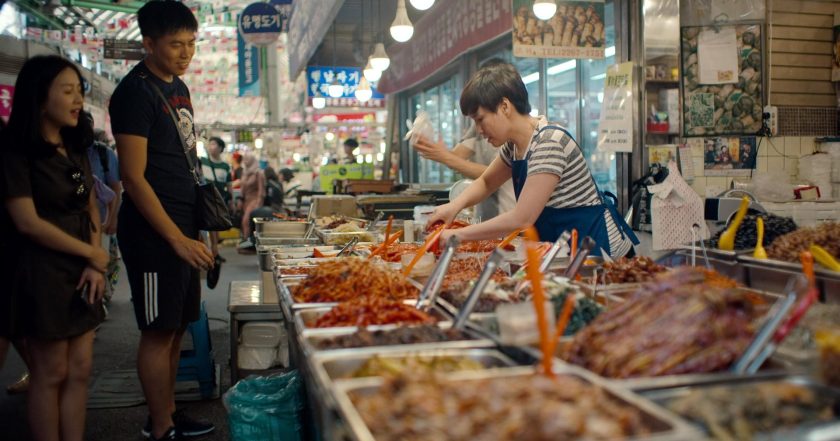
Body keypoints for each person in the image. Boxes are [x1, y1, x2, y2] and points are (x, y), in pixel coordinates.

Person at [108, 2, 215, 440]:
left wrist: (198, 229)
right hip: (155, 234)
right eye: (175, 44)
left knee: (175, 329)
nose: (185, 53)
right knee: (157, 331)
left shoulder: (179, 88)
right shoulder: (134, 93)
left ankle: (165, 413)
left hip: (184, 227)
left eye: (191, 44)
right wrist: (173, 238)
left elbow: (185, 162)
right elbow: (132, 177)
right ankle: (159, 429)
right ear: (147, 44)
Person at [426, 62, 637, 258]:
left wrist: (459, 235)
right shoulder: (514, 146)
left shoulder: (548, 142)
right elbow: (486, 182)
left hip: (600, 252)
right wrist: (452, 207)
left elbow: (522, 218)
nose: (479, 130)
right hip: (563, 251)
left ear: (505, 107)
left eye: (480, 119)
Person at [1, 54, 107, 441]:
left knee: (79, 369)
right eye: (67, 91)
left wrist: (95, 261)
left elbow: (91, 205)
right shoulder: (16, 152)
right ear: (39, 98)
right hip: (41, 271)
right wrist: (91, 254)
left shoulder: (75, 145)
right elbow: (27, 223)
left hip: (83, 271)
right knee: (50, 373)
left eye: (80, 90)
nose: (78, 99)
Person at [88, 125, 122, 304]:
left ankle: (101, 300)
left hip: (99, 224)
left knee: (103, 263)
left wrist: (111, 219)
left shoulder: (104, 154)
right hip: (85, 228)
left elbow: (112, 193)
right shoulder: (65, 155)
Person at [200, 136, 232, 260]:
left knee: (217, 225)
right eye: (210, 144)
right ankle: (213, 251)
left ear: (220, 148)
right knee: (212, 225)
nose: (210, 147)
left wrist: (231, 200)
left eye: (213, 144)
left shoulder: (225, 166)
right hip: (207, 198)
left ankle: (215, 251)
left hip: (220, 199)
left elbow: (229, 184)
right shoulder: (203, 161)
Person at [238, 152, 264, 250]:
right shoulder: (245, 172)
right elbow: (242, 188)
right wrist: (240, 199)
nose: (245, 161)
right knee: (245, 222)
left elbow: (261, 191)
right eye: (244, 159)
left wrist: (258, 204)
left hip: (254, 201)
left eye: (247, 159)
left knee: (246, 221)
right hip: (246, 201)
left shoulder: (258, 173)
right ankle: (247, 241)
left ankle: (248, 242)